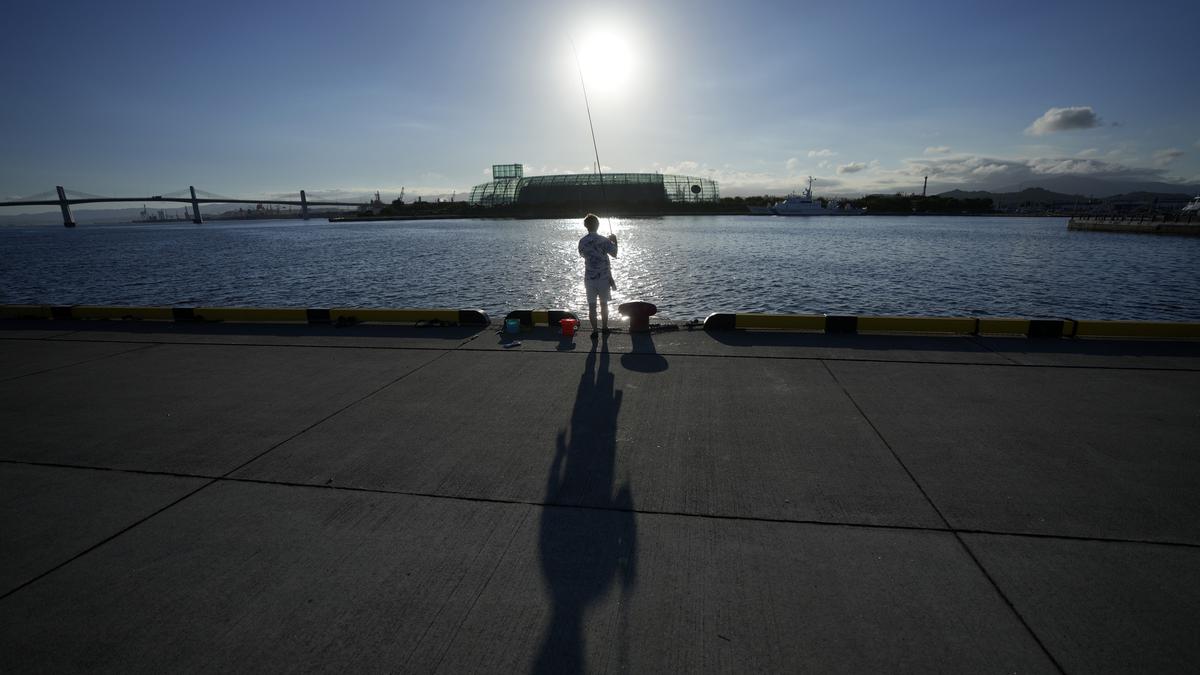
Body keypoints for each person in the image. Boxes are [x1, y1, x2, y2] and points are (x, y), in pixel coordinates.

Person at [577, 213, 618, 337]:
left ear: (586, 226)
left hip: (589, 279)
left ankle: (595, 330)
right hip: (604, 278)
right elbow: (614, 254)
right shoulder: (604, 241)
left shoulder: (582, 242)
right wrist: (614, 241)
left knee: (591, 306)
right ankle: (604, 327)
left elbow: (582, 254)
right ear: (598, 225)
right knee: (604, 304)